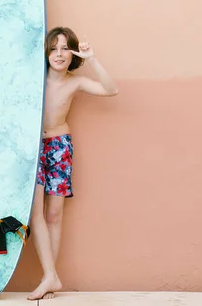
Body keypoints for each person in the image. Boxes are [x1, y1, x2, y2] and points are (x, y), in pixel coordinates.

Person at [28, 26, 118, 301]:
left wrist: (91, 59)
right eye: (53, 48)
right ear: (45, 52)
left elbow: (110, 89)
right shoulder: (33, 78)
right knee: (36, 215)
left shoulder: (74, 81)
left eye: (64, 48)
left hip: (59, 147)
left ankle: (49, 277)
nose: (58, 54)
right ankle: (51, 276)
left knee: (55, 215)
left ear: (72, 53)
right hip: (32, 148)